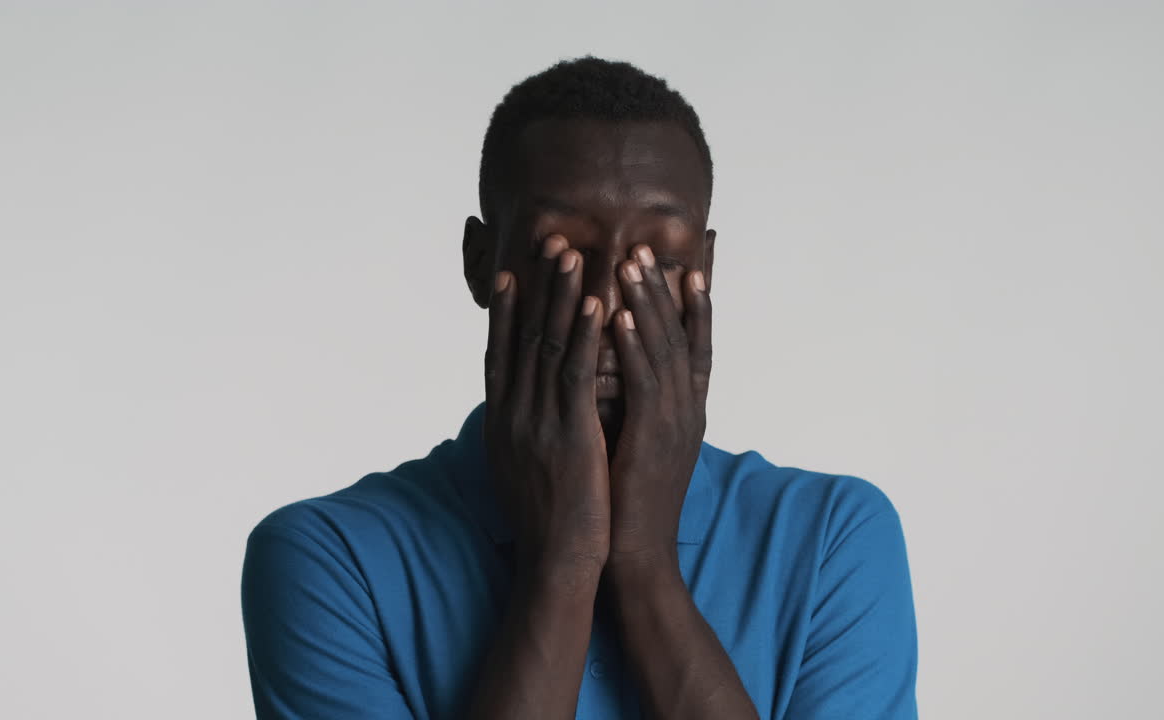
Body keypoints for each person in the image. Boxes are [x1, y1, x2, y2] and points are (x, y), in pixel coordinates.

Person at [240, 56, 919, 720]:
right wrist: (561, 565)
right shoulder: (328, 559)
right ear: (482, 264)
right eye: (558, 251)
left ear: (704, 270)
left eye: (658, 258)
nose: (604, 298)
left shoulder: (832, 537)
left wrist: (645, 564)